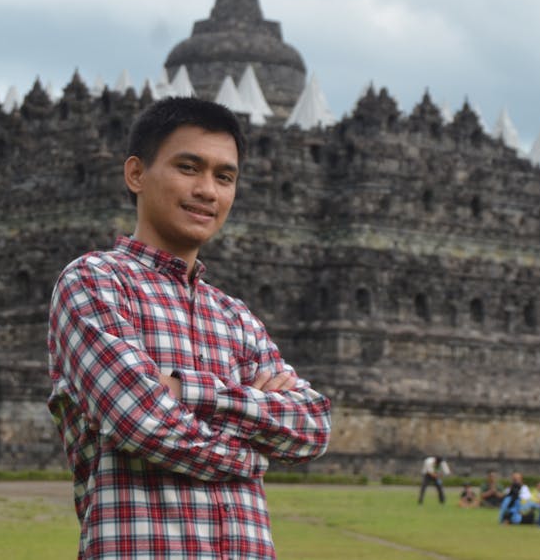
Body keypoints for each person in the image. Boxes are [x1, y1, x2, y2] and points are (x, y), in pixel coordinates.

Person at [47, 97, 333, 559]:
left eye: (225, 177)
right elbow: (142, 422)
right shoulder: (94, 282)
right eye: (188, 167)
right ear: (136, 174)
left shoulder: (235, 316)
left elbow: (313, 425)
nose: (208, 190)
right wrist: (252, 452)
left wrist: (189, 393)